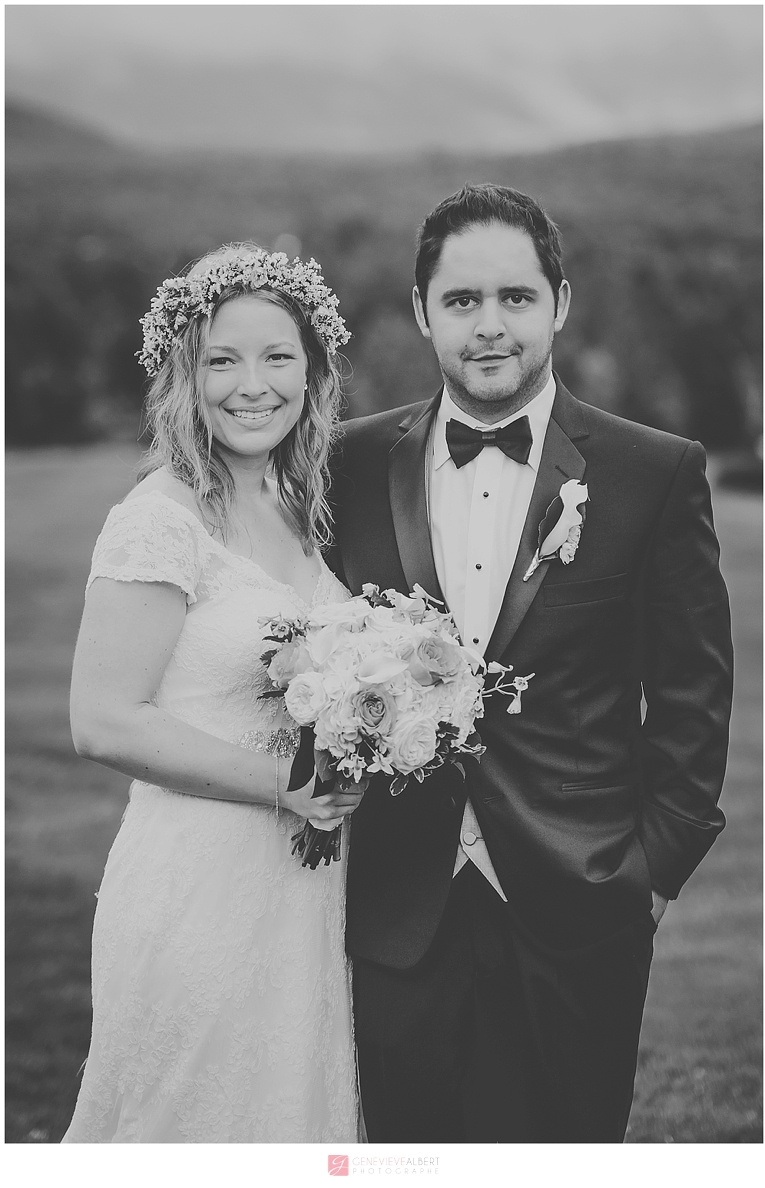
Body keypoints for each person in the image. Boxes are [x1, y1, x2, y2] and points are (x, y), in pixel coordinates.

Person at [329, 184, 733, 1142]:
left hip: (579, 906)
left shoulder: (652, 471)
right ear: (423, 310)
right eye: (462, 301)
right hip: (394, 910)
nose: (490, 326)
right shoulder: (348, 464)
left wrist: (651, 874)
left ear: (559, 302)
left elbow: (692, 692)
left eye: (516, 297)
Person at [62, 243, 364, 1143]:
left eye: (278, 358)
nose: (252, 384)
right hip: (198, 878)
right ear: (184, 375)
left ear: (312, 374)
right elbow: (101, 721)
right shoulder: (159, 519)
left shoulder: (289, 500)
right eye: (222, 360)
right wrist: (286, 787)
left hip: (303, 888)